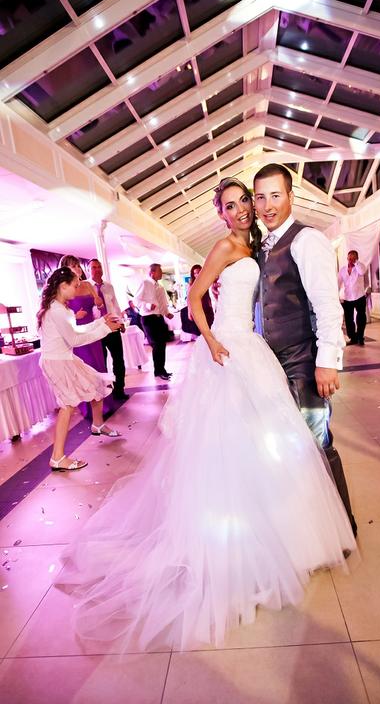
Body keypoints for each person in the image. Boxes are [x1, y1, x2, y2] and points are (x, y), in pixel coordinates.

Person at [57, 178, 356, 651]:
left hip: (254, 348)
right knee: (228, 443)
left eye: (246, 201)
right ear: (220, 212)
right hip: (227, 348)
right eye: (231, 205)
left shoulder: (259, 244)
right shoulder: (224, 246)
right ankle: (235, 544)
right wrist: (212, 340)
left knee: (269, 442)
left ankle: (282, 532)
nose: (242, 210)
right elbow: (195, 298)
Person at [253, 163, 356, 536]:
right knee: (286, 448)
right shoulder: (261, 247)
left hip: (303, 361)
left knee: (317, 443)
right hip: (270, 364)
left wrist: (327, 362)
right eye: (260, 197)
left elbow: (328, 306)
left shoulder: (306, 240)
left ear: (291, 197)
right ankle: (306, 529)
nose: (267, 205)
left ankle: (342, 530)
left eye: (275, 195)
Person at [37, 267, 122, 472]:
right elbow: (74, 339)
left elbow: (75, 330)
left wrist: (100, 322)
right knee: (67, 406)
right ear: (63, 286)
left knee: (96, 384)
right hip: (57, 363)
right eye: (75, 286)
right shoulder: (57, 310)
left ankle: (97, 425)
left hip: (64, 359)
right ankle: (57, 458)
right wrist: (105, 329)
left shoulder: (61, 308)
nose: (78, 289)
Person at [88, 258, 129, 401]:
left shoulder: (109, 286)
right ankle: (105, 393)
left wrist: (121, 322)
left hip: (112, 327)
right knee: (101, 362)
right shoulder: (86, 287)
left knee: (119, 360)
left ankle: (119, 390)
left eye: (99, 267)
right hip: (97, 329)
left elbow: (115, 305)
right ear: (89, 270)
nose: (97, 270)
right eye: (93, 267)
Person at [59, 255, 106, 374]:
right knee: (86, 365)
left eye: (78, 266)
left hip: (92, 328)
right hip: (76, 331)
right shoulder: (62, 289)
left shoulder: (87, 285)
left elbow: (99, 306)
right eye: (73, 266)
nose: (78, 268)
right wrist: (75, 316)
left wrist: (99, 304)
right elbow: (57, 315)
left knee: (98, 362)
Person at [134, 264, 174, 380]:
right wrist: (147, 305)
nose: (161, 273)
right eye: (159, 271)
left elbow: (162, 303)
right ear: (152, 272)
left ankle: (161, 370)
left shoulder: (160, 287)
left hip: (159, 318)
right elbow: (136, 300)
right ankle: (158, 370)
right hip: (148, 318)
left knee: (162, 344)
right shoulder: (145, 283)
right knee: (156, 344)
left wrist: (167, 313)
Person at [338, 250, 368, 346]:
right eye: (349, 257)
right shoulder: (343, 270)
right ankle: (353, 338)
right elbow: (338, 282)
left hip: (359, 296)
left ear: (356, 258)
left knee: (361, 318)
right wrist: (336, 295)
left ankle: (360, 337)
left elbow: (362, 271)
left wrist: (356, 263)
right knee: (348, 319)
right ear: (347, 258)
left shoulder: (360, 267)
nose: (351, 259)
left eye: (353, 257)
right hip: (347, 297)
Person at [180, 264, 215, 338]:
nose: (197, 274)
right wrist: (189, 312)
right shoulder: (192, 285)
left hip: (208, 309)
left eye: (199, 272)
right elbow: (189, 299)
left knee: (210, 328)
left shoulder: (206, 282)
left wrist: (211, 305)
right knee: (202, 331)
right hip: (199, 309)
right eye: (195, 273)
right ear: (193, 275)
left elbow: (209, 295)